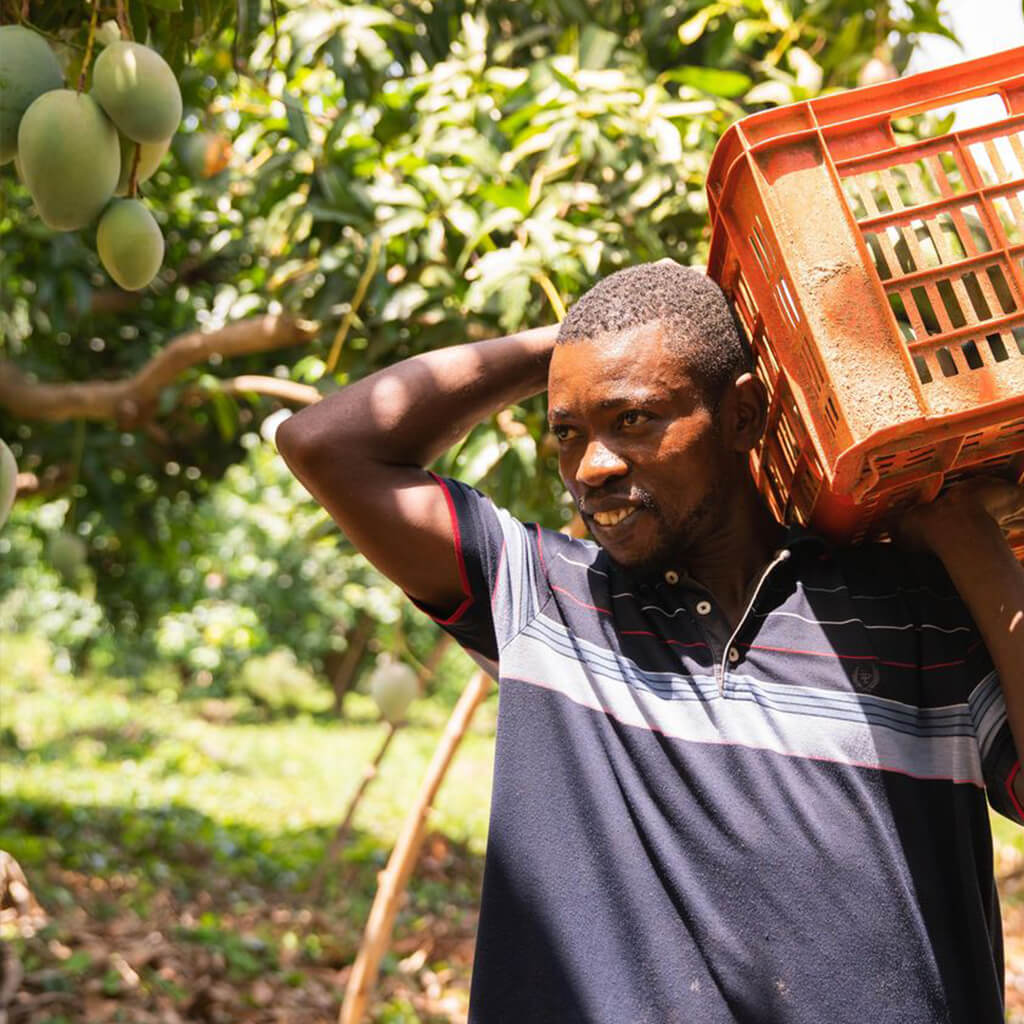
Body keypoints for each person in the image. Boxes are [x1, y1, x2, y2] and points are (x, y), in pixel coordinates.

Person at [276, 261, 1024, 1024]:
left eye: (632, 418)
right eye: (567, 432)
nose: (590, 467)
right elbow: (325, 444)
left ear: (743, 416)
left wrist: (970, 542)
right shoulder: (549, 606)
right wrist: (570, 345)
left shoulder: (912, 615)